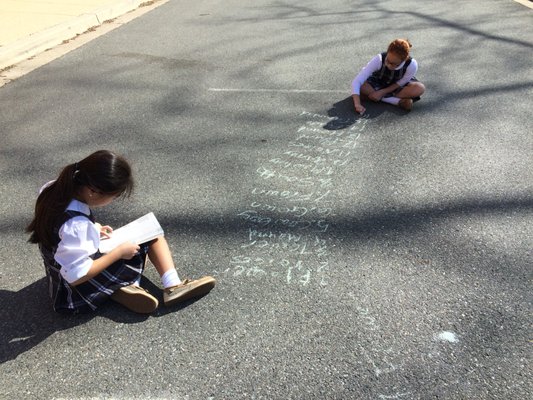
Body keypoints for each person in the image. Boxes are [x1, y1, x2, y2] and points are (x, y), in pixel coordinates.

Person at [26, 150, 215, 314]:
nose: (113, 200)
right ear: (93, 191)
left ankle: (126, 287)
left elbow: (59, 229)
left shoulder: (54, 188)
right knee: (151, 238)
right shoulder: (77, 226)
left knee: (131, 245)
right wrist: (119, 253)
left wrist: (95, 228)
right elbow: (77, 277)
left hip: (60, 276)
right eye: (113, 196)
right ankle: (171, 285)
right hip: (74, 293)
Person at [351, 38, 425, 114]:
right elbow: (357, 81)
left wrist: (382, 92)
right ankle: (397, 101)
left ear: (404, 60)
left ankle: (374, 96)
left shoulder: (411, 64)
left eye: (393, 64)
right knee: (361, 86)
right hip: (378, 81)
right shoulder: (379, 59)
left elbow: (403, 82)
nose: (388, 65)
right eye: (387, 61)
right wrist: (357, 104)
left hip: (397, 84)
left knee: (420, 88)